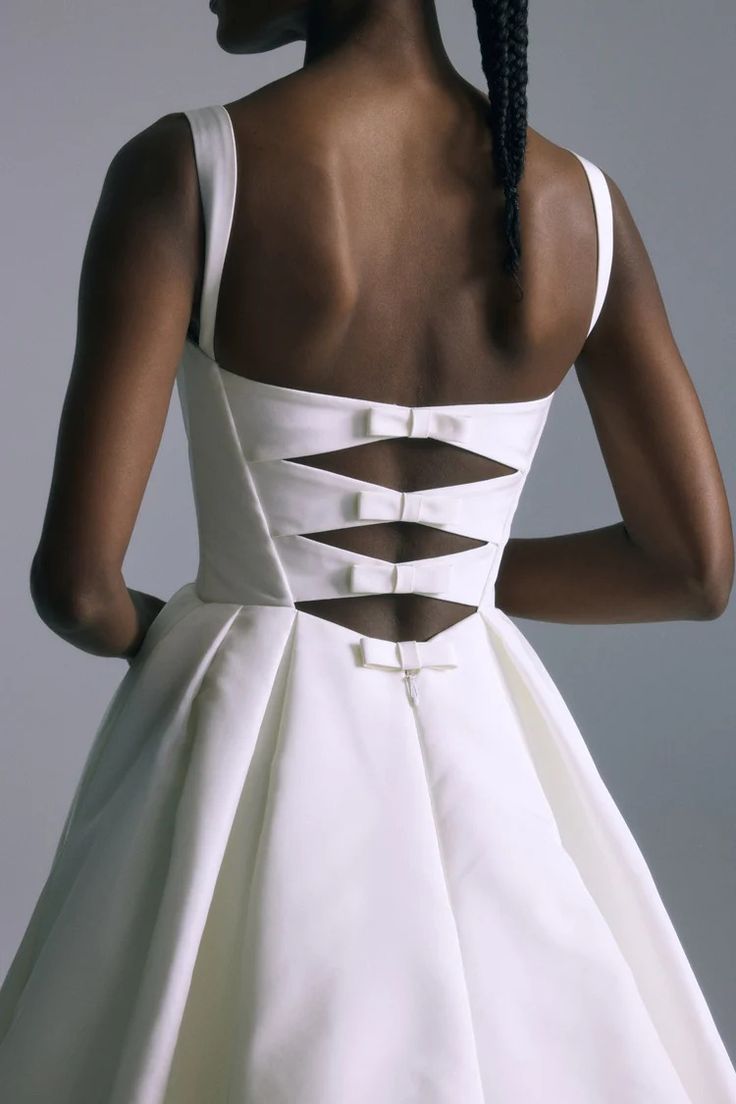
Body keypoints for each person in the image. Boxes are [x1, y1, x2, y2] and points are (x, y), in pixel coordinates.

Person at [1, 1, 734, 1101]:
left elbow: (77, 588)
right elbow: (693, 569)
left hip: (241, 730)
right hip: (480, 722)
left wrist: (206, 621)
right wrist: (454, 576)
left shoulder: (187, 169)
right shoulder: (581, 203)